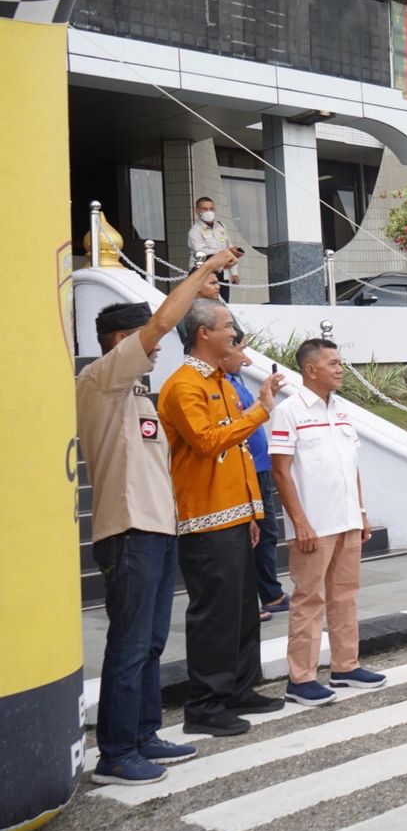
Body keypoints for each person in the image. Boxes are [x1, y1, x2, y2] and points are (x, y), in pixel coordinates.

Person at [76, 247, 242, 785]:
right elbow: (167, 318)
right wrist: (203, 271)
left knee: (149, 643)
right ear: (124, 343)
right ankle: (116, 753)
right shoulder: (102, 380)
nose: (156, 349)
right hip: (127, 532)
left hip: (157, 530)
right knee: (128, 644)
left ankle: (144, 734)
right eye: (146, 340)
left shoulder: (141, 397)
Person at [159, 298, 285, 736]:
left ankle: (238, 689)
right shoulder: (183, 387)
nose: (235, 334)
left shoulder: (223, 383)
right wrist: (260, 411)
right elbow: (209, 442)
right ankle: (206, 705)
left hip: (235, 514)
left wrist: (253, 512)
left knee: (242, 611)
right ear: (203, 334)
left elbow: (240, 455)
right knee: (215, 614)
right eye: (228, 326)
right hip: (205, 518)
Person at [270, 338, 386, 706]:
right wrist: (299, 522)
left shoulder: (341, 410)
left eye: (339, 362)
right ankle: (300, 678)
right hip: (314, 525)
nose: (339, 369)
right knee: (308, 599)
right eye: (333, 363)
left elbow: (350, 467)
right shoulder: (289, 412)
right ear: (311, 369)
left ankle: (345, 666)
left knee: (345, 597)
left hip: (347, 519)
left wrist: (361, 512)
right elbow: (280, 472)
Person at [220, 337, 289, 622]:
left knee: (267, 532)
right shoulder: (220, 385)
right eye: (239, 349)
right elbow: (235, 425)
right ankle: (256, 599)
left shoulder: (235, 380)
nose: (246, 358)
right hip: (244, 469)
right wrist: (263, 401)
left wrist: (266, 395)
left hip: (258, 467)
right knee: (255, 535)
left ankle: (270, 593)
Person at [187, 197, 238, 300]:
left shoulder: (221, 226)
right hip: (204, 273)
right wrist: (224, 253)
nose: (209, 212)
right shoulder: (195, 231)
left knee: (224, 305)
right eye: (205, 209)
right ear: (197, 211)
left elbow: (230, 248)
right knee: (207, 307)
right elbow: (200, 251)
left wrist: (234, 272)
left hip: (223, 272)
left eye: (211, 208)